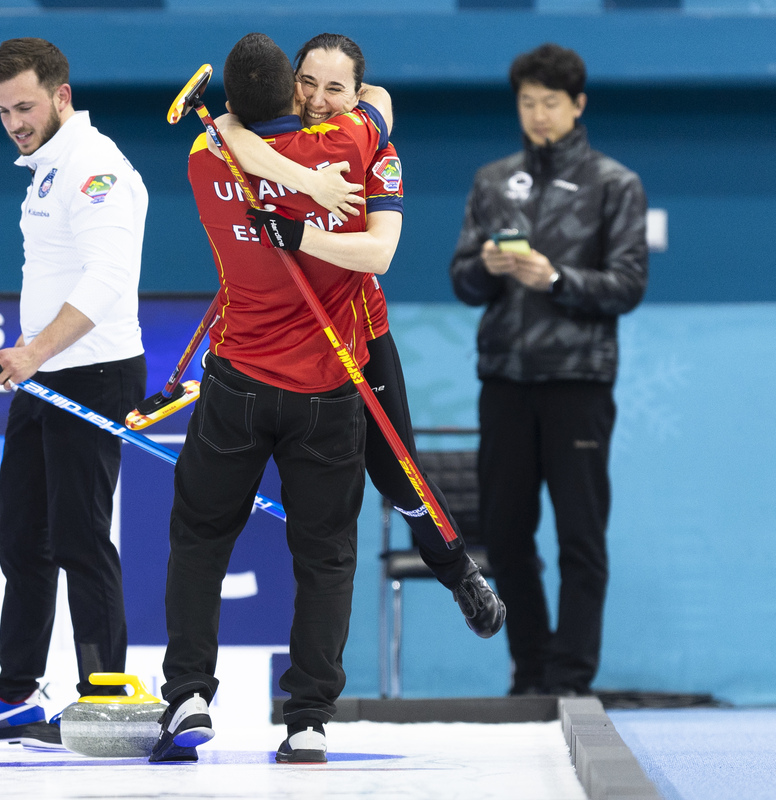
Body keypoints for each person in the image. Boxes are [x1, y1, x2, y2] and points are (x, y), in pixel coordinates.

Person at [216, 33, 505, 638]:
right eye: (308, 83)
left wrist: (297, 232)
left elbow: (378, 252)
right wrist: (306, 180)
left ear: (356, 92)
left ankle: (457, 572)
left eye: (335, 88)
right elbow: (226, 130)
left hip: (356, 335)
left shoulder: (371, 143)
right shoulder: (265, 131)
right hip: (276, 345)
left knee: (398, 473)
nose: (319, 100)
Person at [152, 32, 390, 766]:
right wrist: (312, 187)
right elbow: (378, 103)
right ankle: (310, 716)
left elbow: (234, 136)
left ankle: (189, 694)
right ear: (295, 91)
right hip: (328, 389)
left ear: (229, 104)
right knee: (325, 557)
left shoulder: (203, 159)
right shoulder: (351, 146)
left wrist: (235, 130)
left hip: (237, 387)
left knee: (200, 541)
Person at [0, 37, 148, 750]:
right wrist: (30, 357)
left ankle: (103, 696)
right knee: (23, 537)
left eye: (25, 106)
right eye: (2, 110)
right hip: (45, 372)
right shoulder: (48, 170)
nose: (14, 122)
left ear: (61, 96)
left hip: (93, 373)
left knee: (82, 538)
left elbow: (107, 276)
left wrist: (34, 351)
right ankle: (16, 695)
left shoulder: (95, 167)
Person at [450, 43, 647, 696]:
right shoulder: (491, 179)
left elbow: (627, 283)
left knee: (580, 537)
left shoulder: (614, 184)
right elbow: (462, 279)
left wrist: (555, 277)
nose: (537, 115)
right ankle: (531, 673)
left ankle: (571, 678)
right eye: (527, 103)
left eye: (550, 103)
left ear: (578, 105)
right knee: (505, 535)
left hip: (578, 382)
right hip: (503, 380)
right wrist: (489, 267)